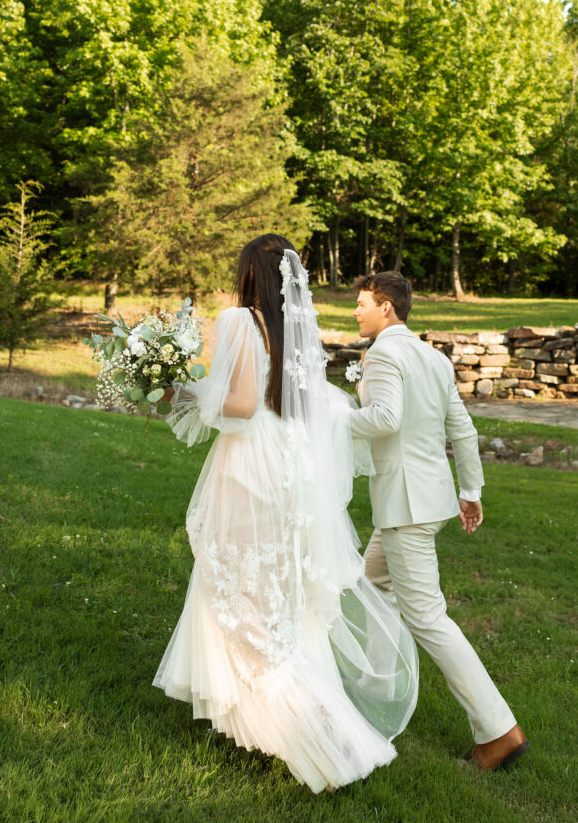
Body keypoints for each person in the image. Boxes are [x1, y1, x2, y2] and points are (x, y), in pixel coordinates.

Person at [153, 236, 419, 793]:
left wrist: (180, 389)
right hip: (287, 469)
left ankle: (315, 731)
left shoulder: (236, 321)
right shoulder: (296, 328)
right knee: (271, 592)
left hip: (247, 465)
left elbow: (242, 405)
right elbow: (300, 402)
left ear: (250, 273)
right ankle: (252, 719)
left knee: (236, 587)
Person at [349, 271, 529, 771]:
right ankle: (374, 691)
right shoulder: (433, 358)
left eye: (362, 303)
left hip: (406, 506)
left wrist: (328, 419)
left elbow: (385, 419)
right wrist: (469, 492)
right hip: (426, 502)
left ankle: (498, 731)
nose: (356, 312)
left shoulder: (384, 353)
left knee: (428, 617)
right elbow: (463, 431)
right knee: (371, 586)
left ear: (387, 307)